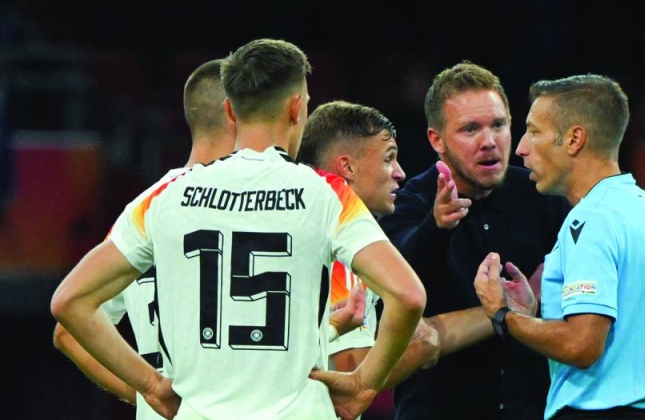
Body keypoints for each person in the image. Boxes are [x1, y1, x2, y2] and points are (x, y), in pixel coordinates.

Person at [50, 38, 426, 420]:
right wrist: (364, 384)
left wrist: (149, 387)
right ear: (297, 108)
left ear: (230, 109)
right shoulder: (326, 193)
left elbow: (69, 302)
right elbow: (408, 295)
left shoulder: (163, 198)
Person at [473, 74, 645, 420]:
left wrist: (503, 316)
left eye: (534, 131)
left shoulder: (592, 219)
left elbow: (580, 344)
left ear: (574, 139)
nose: (521, 147)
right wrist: (534, 315)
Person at [379, 61, 570, 420]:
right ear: (436, 140)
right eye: (470, 129)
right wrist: (437, 228)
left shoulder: (544, 196)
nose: (489, 142)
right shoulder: (408, 204)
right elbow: (399, 282)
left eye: (498, 125)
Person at [52, 57, 236, 420]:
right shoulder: (262, 207)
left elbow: (68, 332)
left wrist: (148, 395)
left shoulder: (144, 211)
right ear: (235, 113)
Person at [297, 100, 440, 386]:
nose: (400, 172)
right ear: (347, 167)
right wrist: (423, 347)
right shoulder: (341, 241)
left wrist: (499, 315)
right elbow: (349, 367)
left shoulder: (302, 218)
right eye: (388, 159)